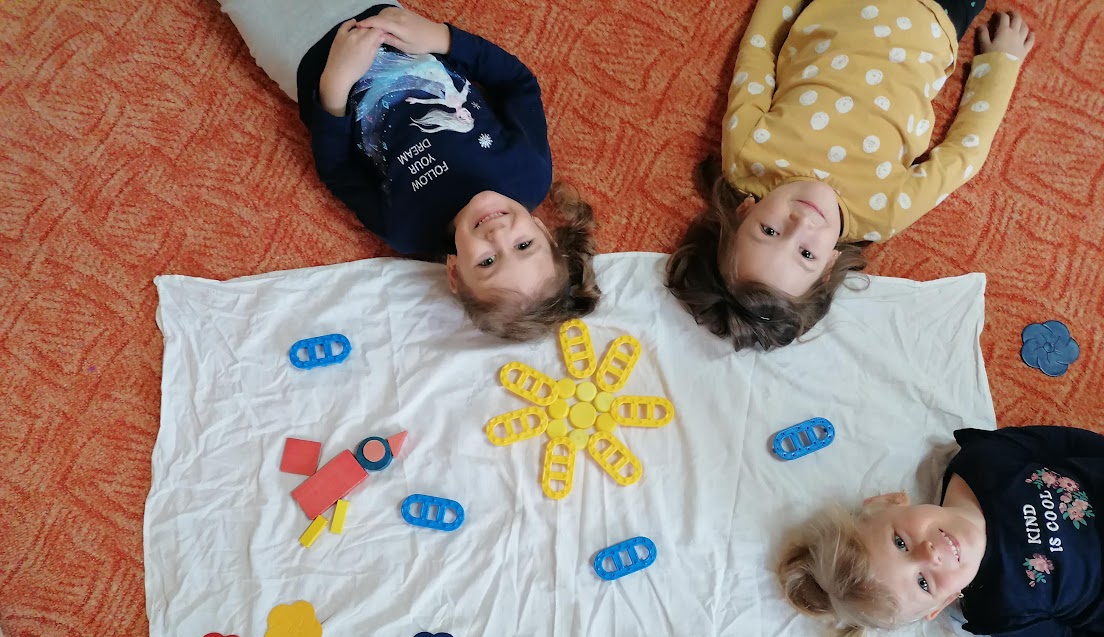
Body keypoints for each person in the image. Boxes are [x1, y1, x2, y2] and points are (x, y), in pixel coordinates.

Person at [667, 0, 1036, 351]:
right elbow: (963, 154)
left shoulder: (747, 156)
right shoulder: (882, 213)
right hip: (935, 14)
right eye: (806, 253)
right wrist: (1000, 65)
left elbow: (758, 55)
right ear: (829, 266)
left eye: (770, 231)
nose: (802, 222)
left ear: (744, 211)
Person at [218, 2, 600, 340]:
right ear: (543, 231)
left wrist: (334, 87)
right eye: (523, 245)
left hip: (304, 58)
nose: (499, 235)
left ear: (455, 272)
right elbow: (518, 84)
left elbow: (337, 171)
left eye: (487, 262)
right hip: (385, 20)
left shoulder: (406, 229)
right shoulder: (530, 171)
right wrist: (442, 38)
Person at [779, 426, 1102, 637]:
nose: (929, 554)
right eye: (923, 583)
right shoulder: (1001, 611)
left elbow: (1063, 443)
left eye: (900, 543)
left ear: (887, 502)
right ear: (944, 602)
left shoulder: (984, 460)